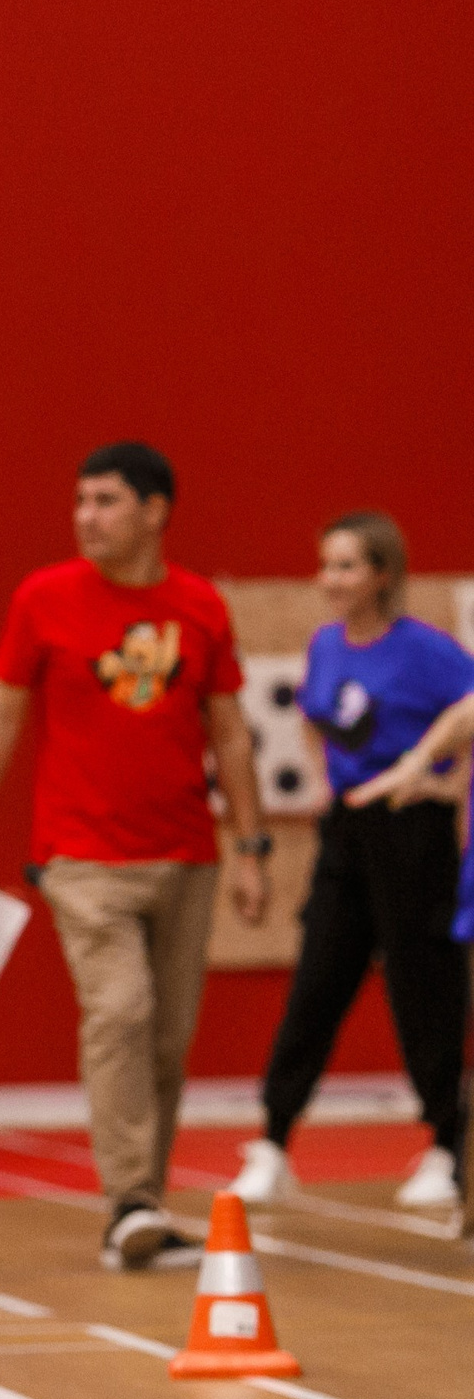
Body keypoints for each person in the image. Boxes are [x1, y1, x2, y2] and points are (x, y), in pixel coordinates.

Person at [0, 442, 268, 1271]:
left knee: (166, 1040)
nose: (86, 516)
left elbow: (229, 731)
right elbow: (0, 716)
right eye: (81, 500)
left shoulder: (200, 606)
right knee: (120, 1012)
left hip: (187, 853)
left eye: (107, 501)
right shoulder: (43, 599)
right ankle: (127, 1199)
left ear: (156, 510)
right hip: (82, 858)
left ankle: (144, 1206)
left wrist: (251, 847)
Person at [276, 514, 473, 1211]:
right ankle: (273, 1139)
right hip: (348, 829)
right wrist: (325, 780)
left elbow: (468, 713)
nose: (331, 580)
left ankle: (447, 1145)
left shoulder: (426, 652)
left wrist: (444, 783)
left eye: (347, 566)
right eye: (325, 565)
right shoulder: (326, 645)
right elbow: (311, 715)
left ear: (382, 574)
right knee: (317, 979)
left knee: (423, 987)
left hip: (411, 831)